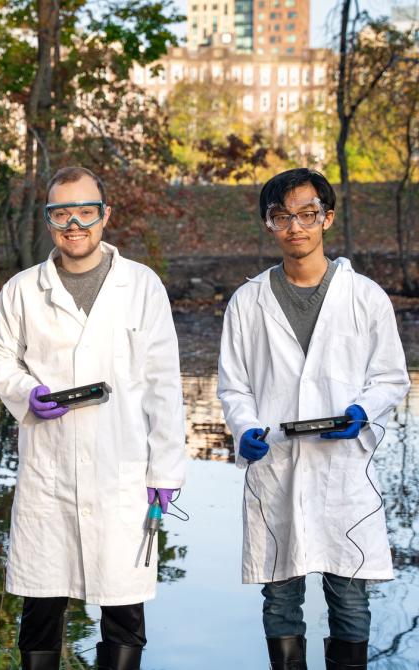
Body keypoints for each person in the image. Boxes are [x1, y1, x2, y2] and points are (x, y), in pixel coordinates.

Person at [0, 167, 186, 670]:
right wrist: (30, 393)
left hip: (122, 475)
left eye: (86, 211)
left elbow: (164, 384)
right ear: (49, 220)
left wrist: (165, 472)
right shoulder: (24, 290)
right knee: (41, 607)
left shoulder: (142, 285)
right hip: (48, 475)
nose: (74, 223)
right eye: (61, 213)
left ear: (105, 215)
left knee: (123, 611)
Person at [218, 168, 410, 670]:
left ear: (326, 218)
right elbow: (234, 386)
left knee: (350, 597)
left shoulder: (365, 296)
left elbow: (391, 377)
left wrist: (362, 412)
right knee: (280, 599)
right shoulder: (247, 302)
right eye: (282, 216)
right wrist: (245, 429)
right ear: (268, 224)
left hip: (344, 472)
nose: (295, 226)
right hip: (275, 467)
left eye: (306, 214)